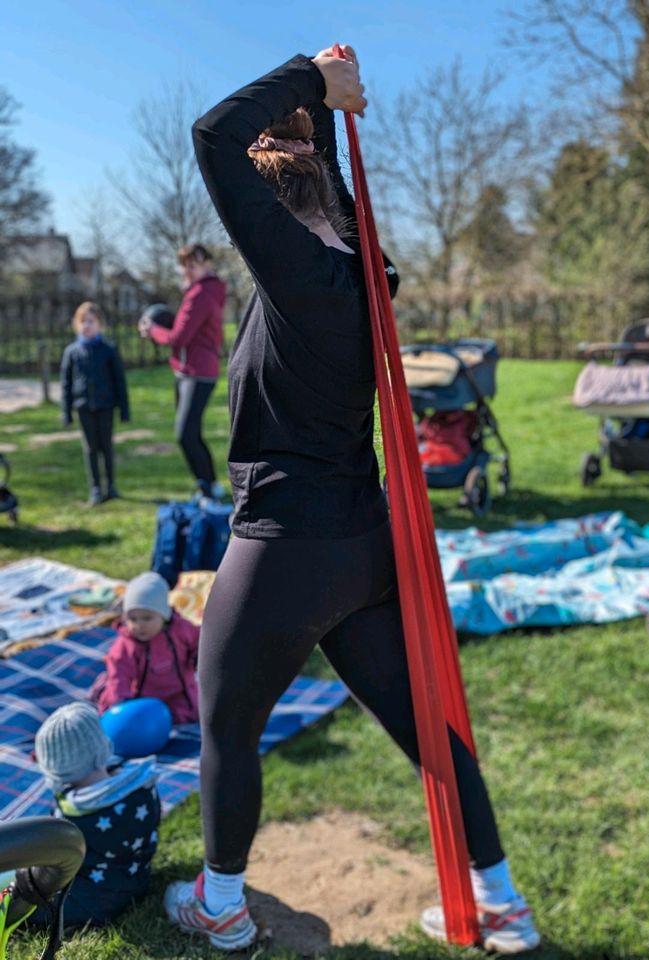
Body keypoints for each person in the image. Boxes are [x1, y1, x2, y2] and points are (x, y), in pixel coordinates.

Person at [163, 47, 540, 955]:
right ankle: (500, 902)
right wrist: (325, 107)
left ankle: (219, 904)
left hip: (287, 541)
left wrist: (306, 80)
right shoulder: (364, 269)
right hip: (360, 547)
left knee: (224, 725)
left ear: (267, 208)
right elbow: (322, 183)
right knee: (427, 729)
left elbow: (212, 134)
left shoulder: (298, 279)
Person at [32, 701, 161, 929]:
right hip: (138, 878)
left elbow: (56, 866)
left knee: (24, 903)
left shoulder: (71, 815)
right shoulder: (143, 785)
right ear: (103, 745)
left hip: (92, 903)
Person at [138, 244, 226, 500]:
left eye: (194, 264)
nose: (188, 269)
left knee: (185, 434)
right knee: (191, 434)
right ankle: (208, 485)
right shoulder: (202, 291)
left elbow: (178, 338)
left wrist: (151, 330)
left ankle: (209, 486)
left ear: (207, 264)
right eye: (184, 264)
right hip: (188, 370)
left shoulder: (201, 294)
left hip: (197, 372)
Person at [94, 571, 200, 724]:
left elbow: (200, 640)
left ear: (164, 616)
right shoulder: (126, 645)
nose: (139, 625)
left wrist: (197, 657)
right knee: (132, 721)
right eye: (132, 618)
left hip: (179, 692)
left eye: (147, 618)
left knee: (190, 715)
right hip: (142, 699)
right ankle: (103, 688)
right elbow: (120, 676)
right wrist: (121, 703)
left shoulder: (180, 629)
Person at [60, 302, 130, 506]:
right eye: (83, 321)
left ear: (100, 324)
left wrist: (124, 410)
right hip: (84, 407)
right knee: (90, 448)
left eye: (91, 321)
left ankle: (111, 486)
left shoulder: (108, 350)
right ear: (76, 325)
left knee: (106, 447)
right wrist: (66, 411)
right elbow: (66, 383)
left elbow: (119, 381)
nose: (87, 325)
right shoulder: (72, 352)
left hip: (106, 405)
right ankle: (95, 489)